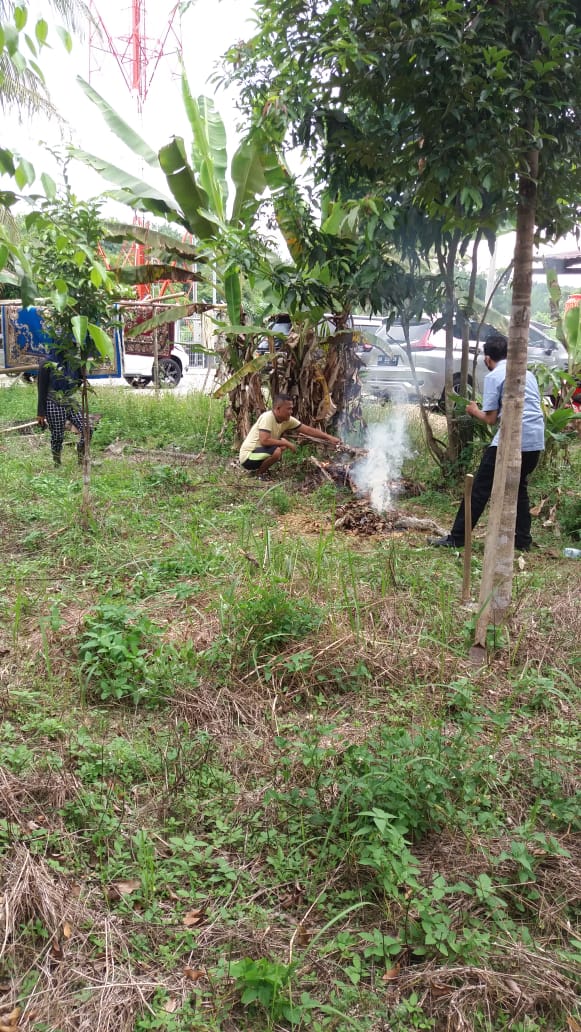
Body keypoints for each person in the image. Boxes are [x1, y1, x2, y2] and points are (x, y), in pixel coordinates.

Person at [431, 334, 544, 552]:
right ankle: (522, 541)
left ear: (487, 358)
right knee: (519, 488)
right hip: (535, 441)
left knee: (478, 489)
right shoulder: (527, 374)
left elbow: (490, 419)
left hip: (511, 440)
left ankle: (457, 538)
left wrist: (474, 410)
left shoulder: (495, 376)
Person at [239, 393, 342, 475]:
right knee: (277, 450)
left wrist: (329, 437)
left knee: (279, 447)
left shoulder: (288, 420)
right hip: (248, 457)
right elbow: (264, 441)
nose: (291, 411)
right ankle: (259, 474)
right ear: (278, 409)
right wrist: (288, 443)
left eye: (291, 408)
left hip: (259, 454)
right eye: (288, 409)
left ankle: (261, 470)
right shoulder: (268, 417)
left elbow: (308, 430)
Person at [37, 355, 92, 467]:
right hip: (53, 402)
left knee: (88, 429)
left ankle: (81, 459)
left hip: (71, 401)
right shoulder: (46, 363)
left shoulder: (74, 362)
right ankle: (57, 463)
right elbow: (41, 389)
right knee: (57, 436)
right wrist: (40, 413)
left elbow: (79, 380)